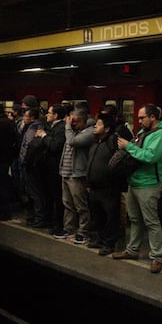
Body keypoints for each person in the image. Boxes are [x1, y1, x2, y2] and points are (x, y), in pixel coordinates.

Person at [113, 104, 162, 274]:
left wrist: (128, 147)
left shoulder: (161, 134)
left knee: (151, 221)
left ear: (152, 117)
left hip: (149, 183)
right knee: (135, 219)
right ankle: (132, 250)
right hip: (134, 181)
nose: (138, 121)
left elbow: (150, 157)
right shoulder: (142, 132)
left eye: (141, 117)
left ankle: (156, 257)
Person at [54, 107, 96, 243]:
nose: (72, 124)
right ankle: (69, 229)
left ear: (83, 121)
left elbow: (73, 142)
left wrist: (67, 126)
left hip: (77, 174)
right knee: (67, 204)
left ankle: (83, 232)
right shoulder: (73, 131)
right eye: (71, 121)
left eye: (75, 122)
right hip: (65, 172)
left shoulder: (89, 132)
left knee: (80, 205)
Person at [85, 113, 121, 255]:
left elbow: (118, 163)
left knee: (110, 216)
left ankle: (109, 243)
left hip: (109, 187)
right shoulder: (95, 142)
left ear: (106, 129)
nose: (95, 126)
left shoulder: (113, 141)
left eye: (99, 124)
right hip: (94, 187)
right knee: (97, 215)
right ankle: (99, 239)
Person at [35, 104, 68, 233]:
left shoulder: (61, 128)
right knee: (47, 195)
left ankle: (58, 225)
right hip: (46, 167)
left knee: (56, 197)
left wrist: (44, 136)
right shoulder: (51, 127)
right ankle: (48, 220)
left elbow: (55, 146)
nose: (47, 115)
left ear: (56, 115)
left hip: (55, 168)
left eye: (49, 113)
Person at [0, 102, 19, 221]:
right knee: (4, 185)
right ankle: (5, 209)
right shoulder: (10, 123)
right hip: (7, 159)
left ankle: (3, 211)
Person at [18, 108, 43, 224]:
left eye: (26, 116)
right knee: (32, 192)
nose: (24, 118)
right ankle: (35, 216)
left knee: (34, 192)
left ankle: (38, 217)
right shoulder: (32, 127)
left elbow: (29, 146)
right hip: (31, 165)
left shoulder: (33, 128)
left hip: (30, 165)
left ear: (32, 117)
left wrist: (25, 161)